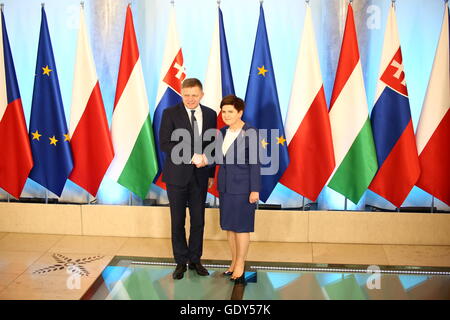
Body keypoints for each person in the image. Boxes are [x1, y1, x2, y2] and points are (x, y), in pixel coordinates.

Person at [159, 78, 217, 280]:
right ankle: (180, 262)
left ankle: (195, 260)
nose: (190, 99)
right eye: (186, 95)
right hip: (176, 176)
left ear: (202, 94)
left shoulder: (210, 114)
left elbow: (212, 144)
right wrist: (191, 156)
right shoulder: (170, 113)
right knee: (177, 221)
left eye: (194, 95)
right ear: (181, 94)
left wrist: (210, 172)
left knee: (198, 221)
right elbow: (165, 143)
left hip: (200, 177)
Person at [216, 94, 260, 284]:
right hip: (225, 187)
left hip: (243, 188)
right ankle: (233, 262)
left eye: (230, 112)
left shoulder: (250, 132)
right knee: (230, 227)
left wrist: (255, 190)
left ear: (239, 112)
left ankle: (241, 264)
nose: (226, 115)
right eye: (223, 111)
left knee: (241, 228)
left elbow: (255, 164)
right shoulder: (222, 132)